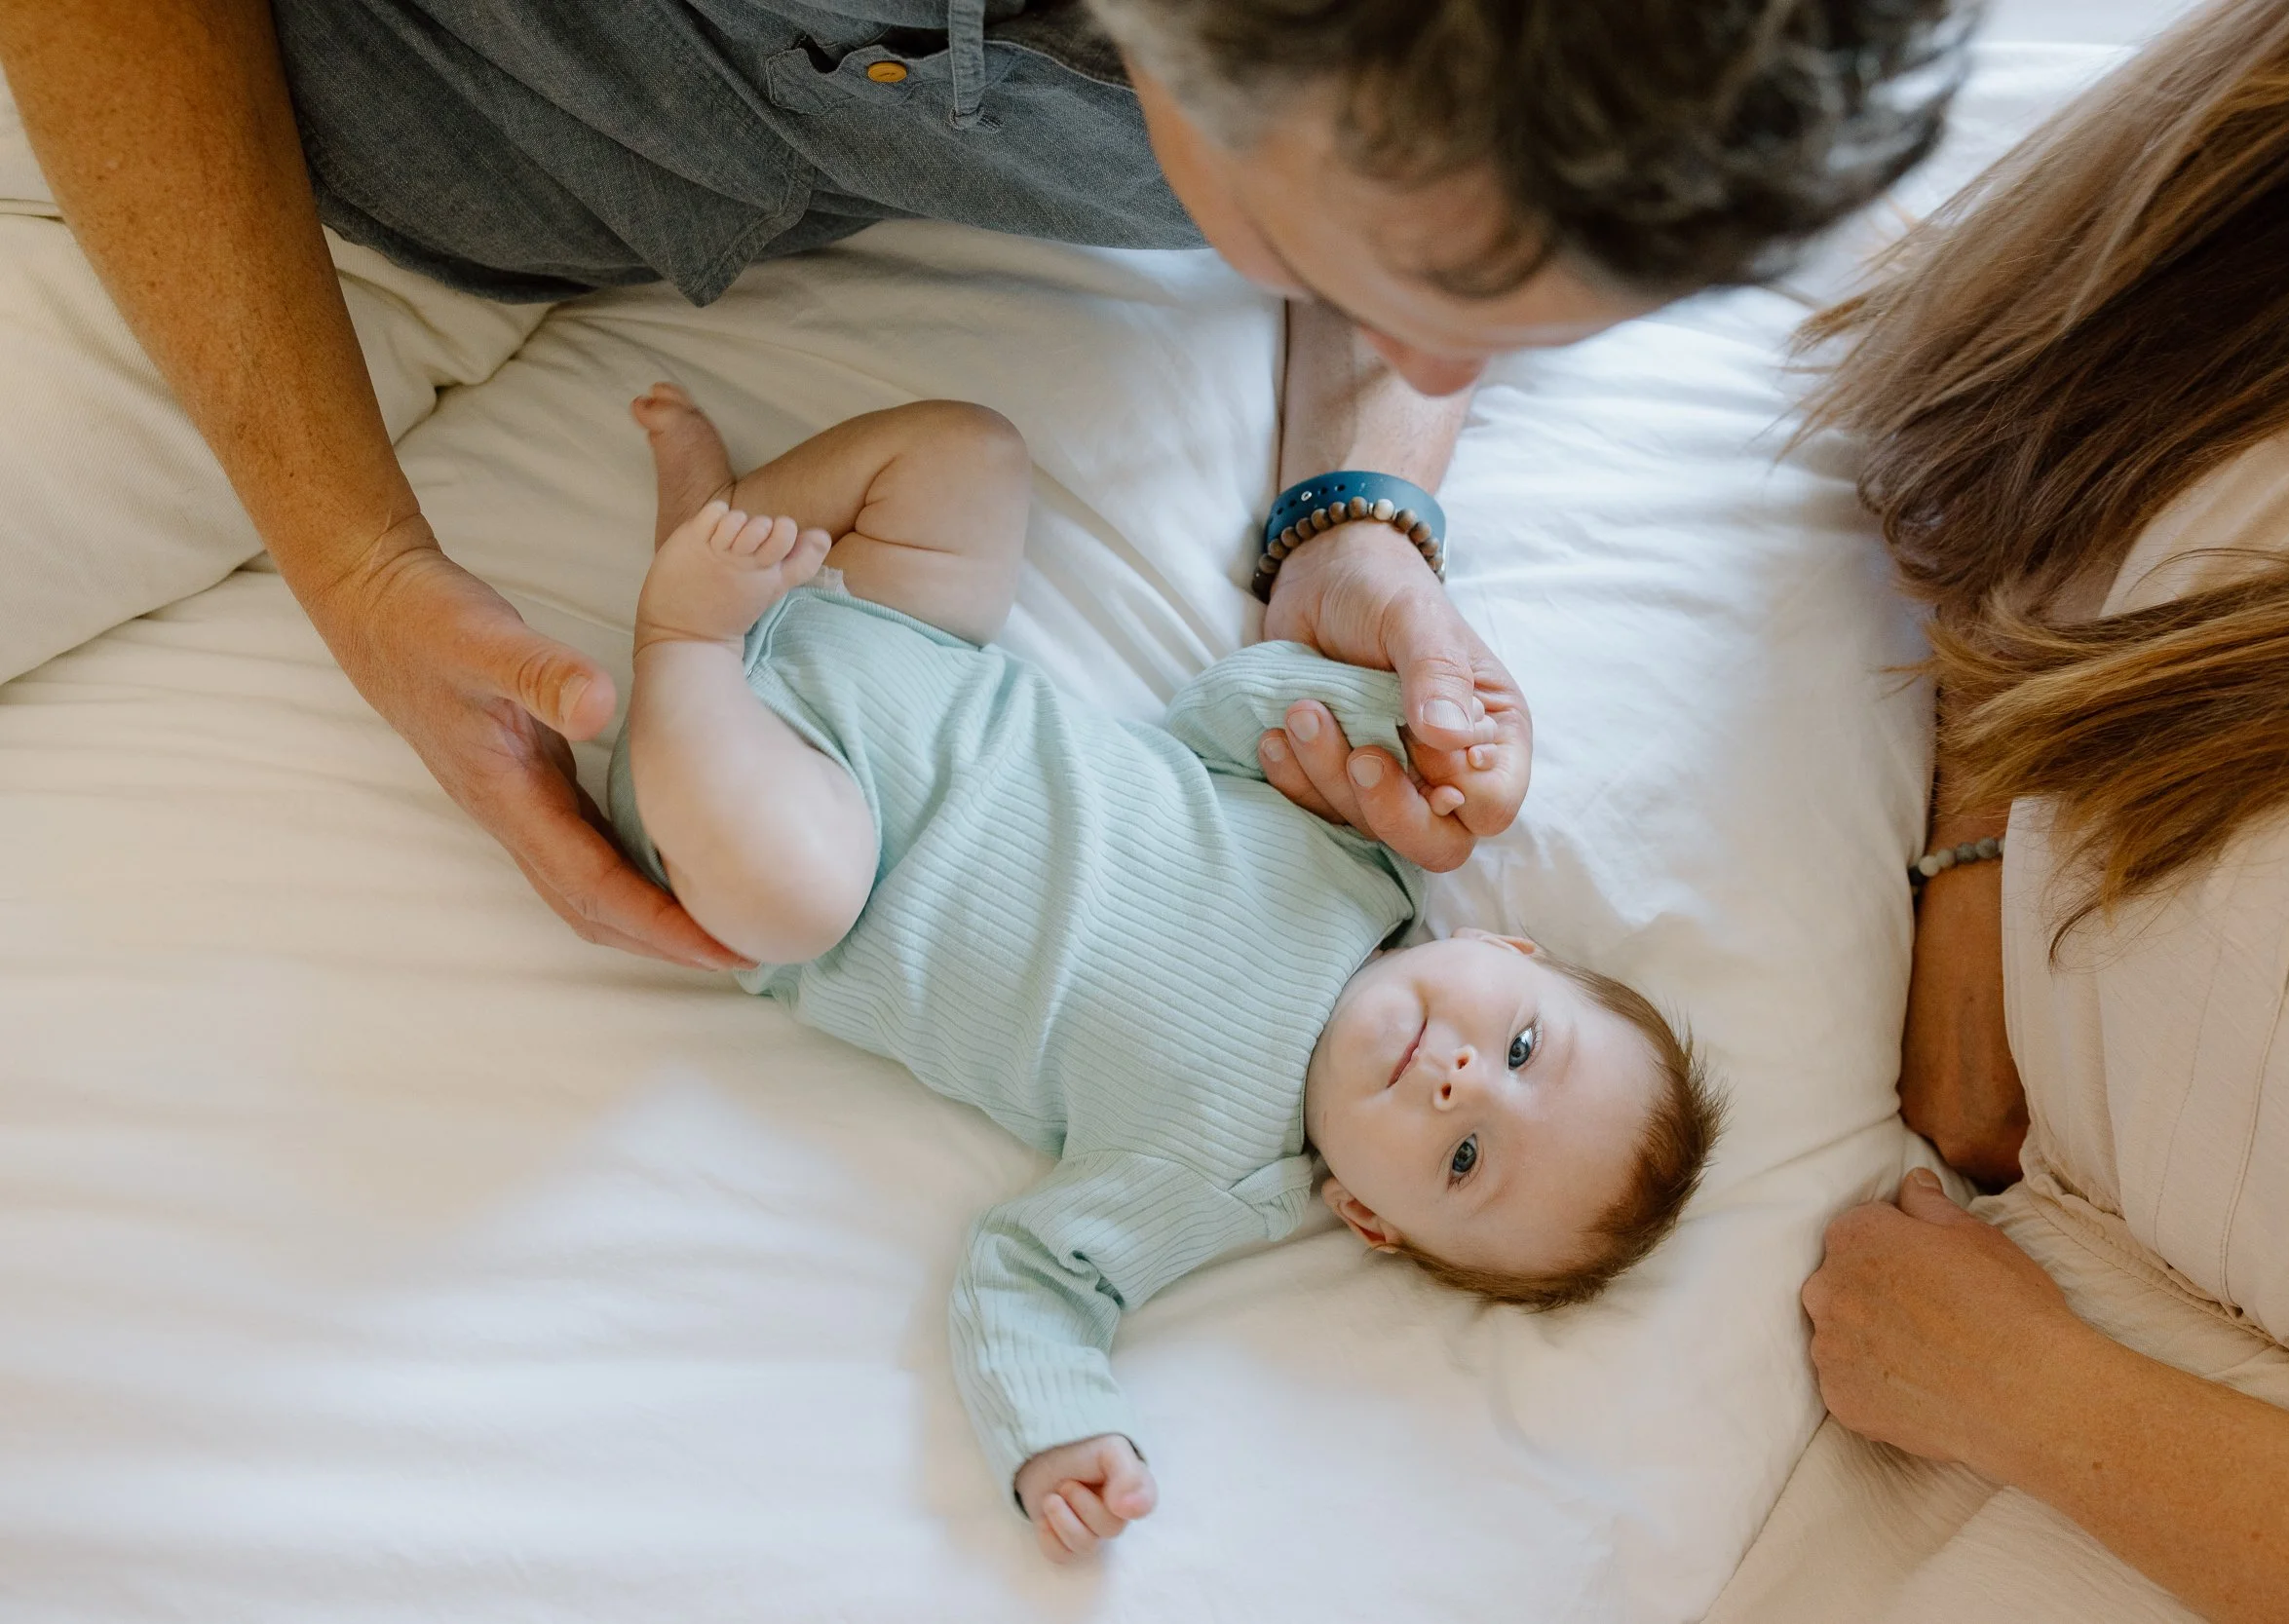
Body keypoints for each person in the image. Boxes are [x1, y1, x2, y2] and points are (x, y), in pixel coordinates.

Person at [0, 0, 1960, 965]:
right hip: (209, 152)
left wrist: (1357, 509)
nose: (1446, 373)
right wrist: (349, 558)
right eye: (1376, 289)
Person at [608, 384, 1724, 1563]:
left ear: (1368, 1218)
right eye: (1521, 1047)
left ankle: (679, 637)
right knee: (969, 455)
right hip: (890, 636)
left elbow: (1031, 1275)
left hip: (773, 815)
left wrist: (1057, 1431)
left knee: (794, 893)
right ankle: (718, 531)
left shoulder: (1217, 1178)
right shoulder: (1363, 855)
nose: (1461, 1081)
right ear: (1509, 951)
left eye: (1463, 1159)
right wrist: (1406, 725)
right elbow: (1225, 713)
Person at [1709, 1, 2289, 1619]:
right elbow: (2014, 425)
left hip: (2165, 1456)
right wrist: (1973, 878)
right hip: (1966, 1281)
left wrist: (2049, 1407)